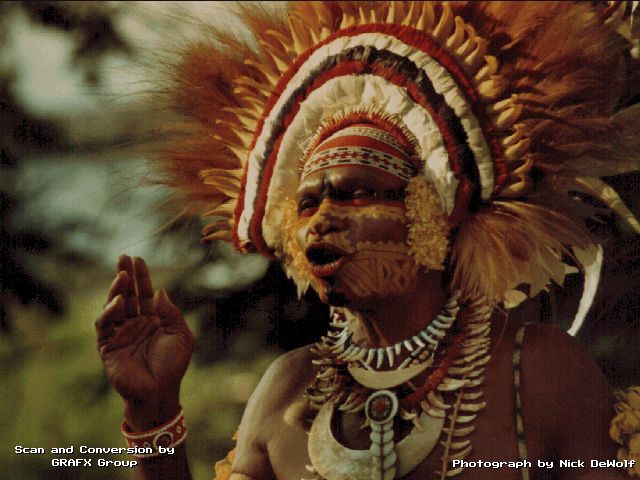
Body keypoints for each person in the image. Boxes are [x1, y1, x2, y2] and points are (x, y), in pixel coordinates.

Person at [95, 2, 640, 479]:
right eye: (307, 203)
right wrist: (152, 409)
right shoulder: (286, 388)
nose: (321, 220)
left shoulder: (539, 372)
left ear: (435, 211)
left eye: (357, 194)